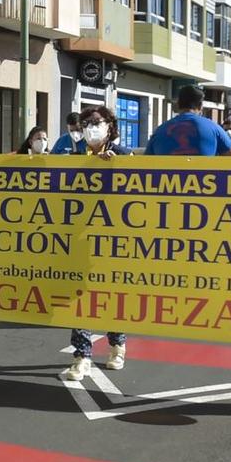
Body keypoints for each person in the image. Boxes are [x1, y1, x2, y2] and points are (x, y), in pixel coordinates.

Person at [62, 105, 128, 380]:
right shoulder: (73, 154)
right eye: (86, 122)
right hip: (80, 238)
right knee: (80, 296)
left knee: (111, 294)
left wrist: (116, 168)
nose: (90, 127)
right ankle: (82, 356)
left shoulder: (124, 156)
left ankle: (117, 345)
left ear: (109, 125)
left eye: (96, 122)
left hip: (114, 241)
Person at [145, 85, 231, 156]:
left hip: (166, 182)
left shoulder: (160, 130)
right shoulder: (213, 128)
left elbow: (145, 163)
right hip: (206, 182)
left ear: (178, 104)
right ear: (201, 106)